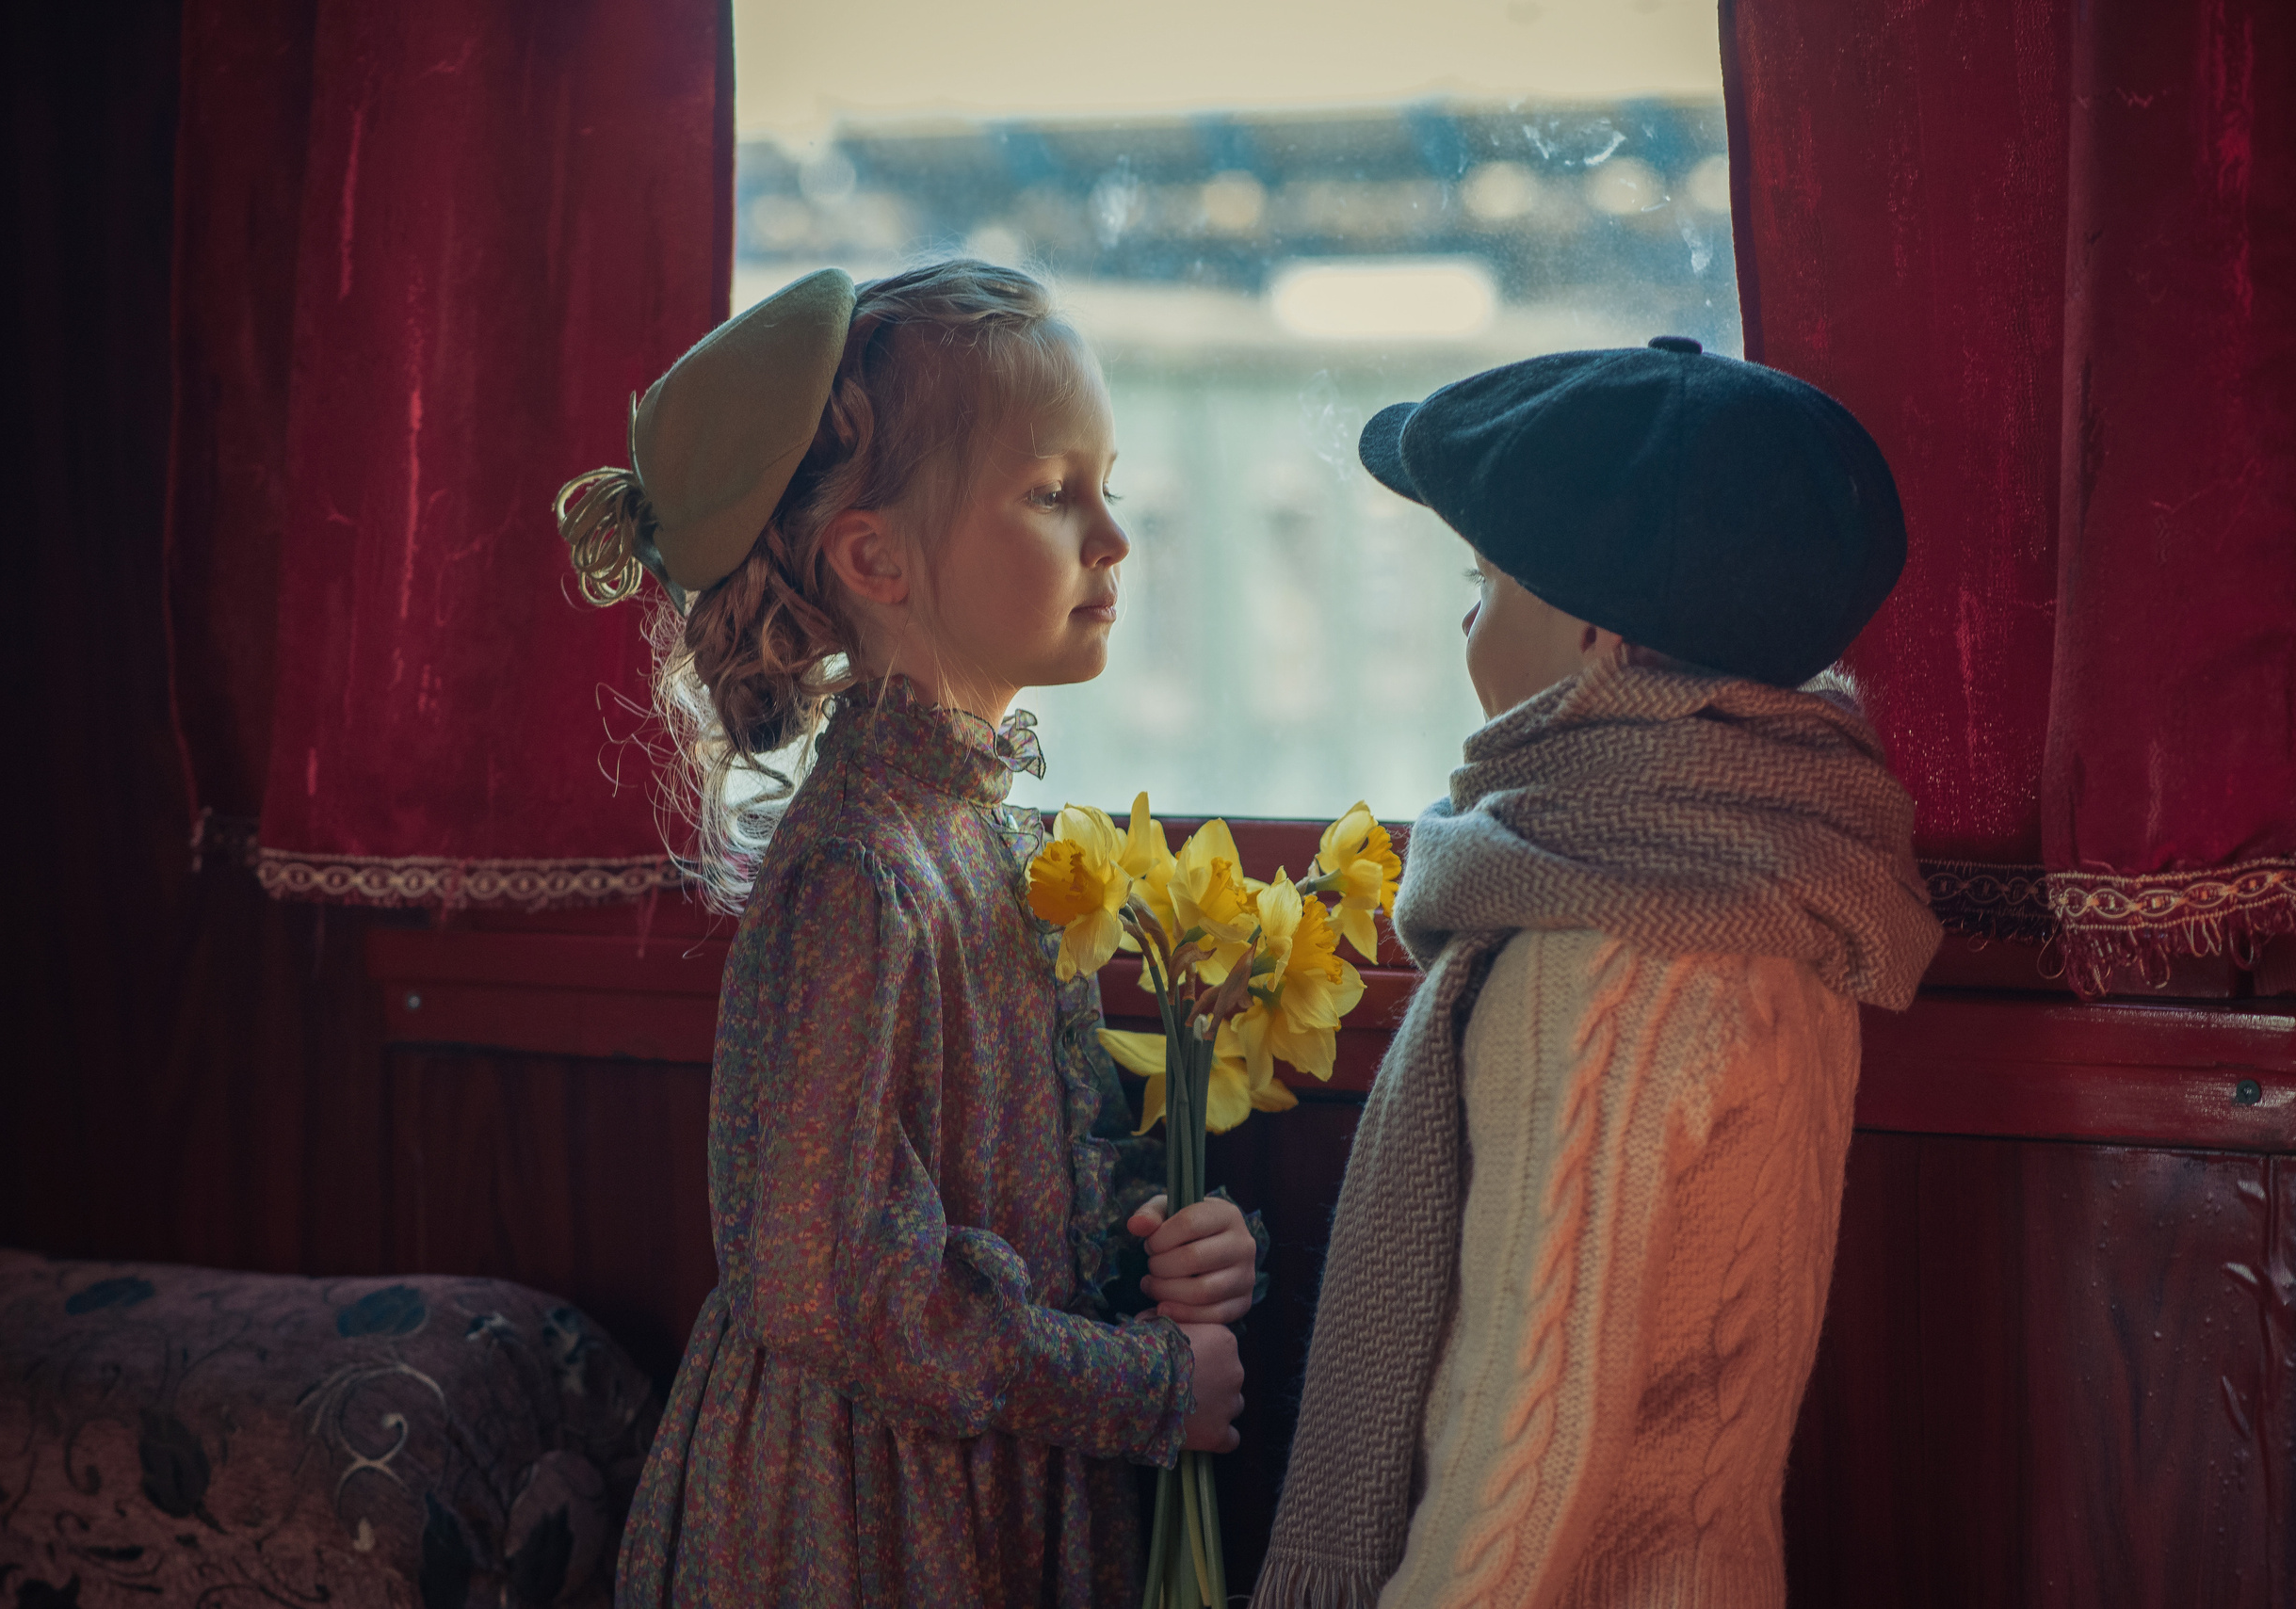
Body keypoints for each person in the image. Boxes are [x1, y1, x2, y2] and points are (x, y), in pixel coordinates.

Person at [556, 261, 1256, 1608]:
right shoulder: (859, 871)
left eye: (1107, 484)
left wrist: (1162, 1233)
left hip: (985, 1464)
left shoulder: (976, 832)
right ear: (876, 557)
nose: (1112, 535)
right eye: (1056, 493)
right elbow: (836, 1287)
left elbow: (1002, 1175)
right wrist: (1139, 1383)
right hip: (873, 1511)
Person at [1254, 338, 1946, 1608]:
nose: (1467, 622)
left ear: (1593, 627)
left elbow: (1519, 1446)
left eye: (1484, 581)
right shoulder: (1783, 878)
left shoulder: (1599, 949)